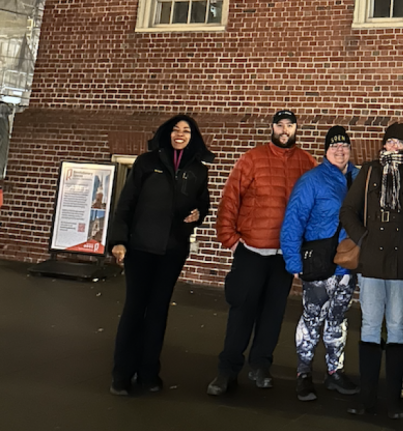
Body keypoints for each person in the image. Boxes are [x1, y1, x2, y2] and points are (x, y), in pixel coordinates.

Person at [207, 109, 315, 395]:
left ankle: (260, 366)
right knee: (241, 311)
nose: (284, 130)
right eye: (279, 125)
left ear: (295, 129)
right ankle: (227, 371)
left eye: (289, 126)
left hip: (284, 256)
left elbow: (314, 205)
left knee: (273, 315)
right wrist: (230, 239)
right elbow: (231, 198)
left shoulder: (306, 163)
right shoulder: (251, 159)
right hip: (251, 251)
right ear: (272, 128)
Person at [109, 114, 213, 395]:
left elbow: (203, 203)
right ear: (167, 133)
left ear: (193, 137)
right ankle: (121, 375)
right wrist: (119, 240)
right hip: (140, 248)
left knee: (157, 311)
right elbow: (126, 203)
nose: (180, 135)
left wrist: (198, 214)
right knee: (134, 309)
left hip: (172, 250)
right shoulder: (146, 163)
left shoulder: (198, 170)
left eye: (186, 131)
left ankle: (148, 373)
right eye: (175, 130)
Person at [339, 123, 403, 418]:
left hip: (402, 263)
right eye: (389, 142)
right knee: (368, 325)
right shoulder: (370, 171)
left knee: (396, 328)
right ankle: (367, 397)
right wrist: (363, 238)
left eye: (398, 143)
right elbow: (348, 209)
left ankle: (392, 399)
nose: (392, 147)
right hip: (373, 262)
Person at [280, 125, 359, 401]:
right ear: (326, 151)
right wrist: (293, 261)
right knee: (313, 319)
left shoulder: (359, 178)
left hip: (346, 265)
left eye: (345, 146)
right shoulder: (311, 180)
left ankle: (334, 371)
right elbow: (293, 220)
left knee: (338, 319)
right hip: (318, 265)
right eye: (335, 147)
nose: (340, 151)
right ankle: (304, 373)